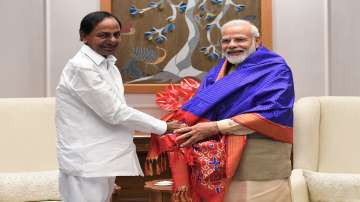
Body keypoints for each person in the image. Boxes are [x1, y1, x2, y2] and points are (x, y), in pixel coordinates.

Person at [147, 19, 294, 202]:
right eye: (226, 41)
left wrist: (216, 127)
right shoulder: (219, 71)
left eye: (240, 40)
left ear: (257, 41)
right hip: (220, 160)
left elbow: (273, 112)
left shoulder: (275, 69)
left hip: (259, 160)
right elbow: (202, 110)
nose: (232, 45)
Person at [55, 11, 181, 202]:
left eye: (116, 34)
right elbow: (114, 112)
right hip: (86, 160)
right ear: (83, 36)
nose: (112, 40)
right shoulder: (81, 67)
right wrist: (164, 126)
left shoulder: (108, 64)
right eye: (103, 35)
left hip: (102, 157)